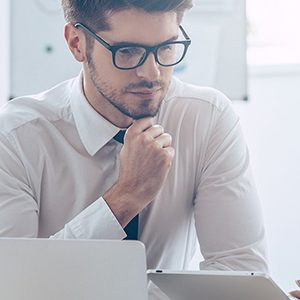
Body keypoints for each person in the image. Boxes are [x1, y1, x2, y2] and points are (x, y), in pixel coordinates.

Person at [0, 0, 269, 299]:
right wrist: (125, 197)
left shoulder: (206, 117)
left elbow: (240, 271)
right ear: (77, 43)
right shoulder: (14, 139)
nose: (151, 73)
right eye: (127, 51)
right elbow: (14, 288)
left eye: (166, 47)